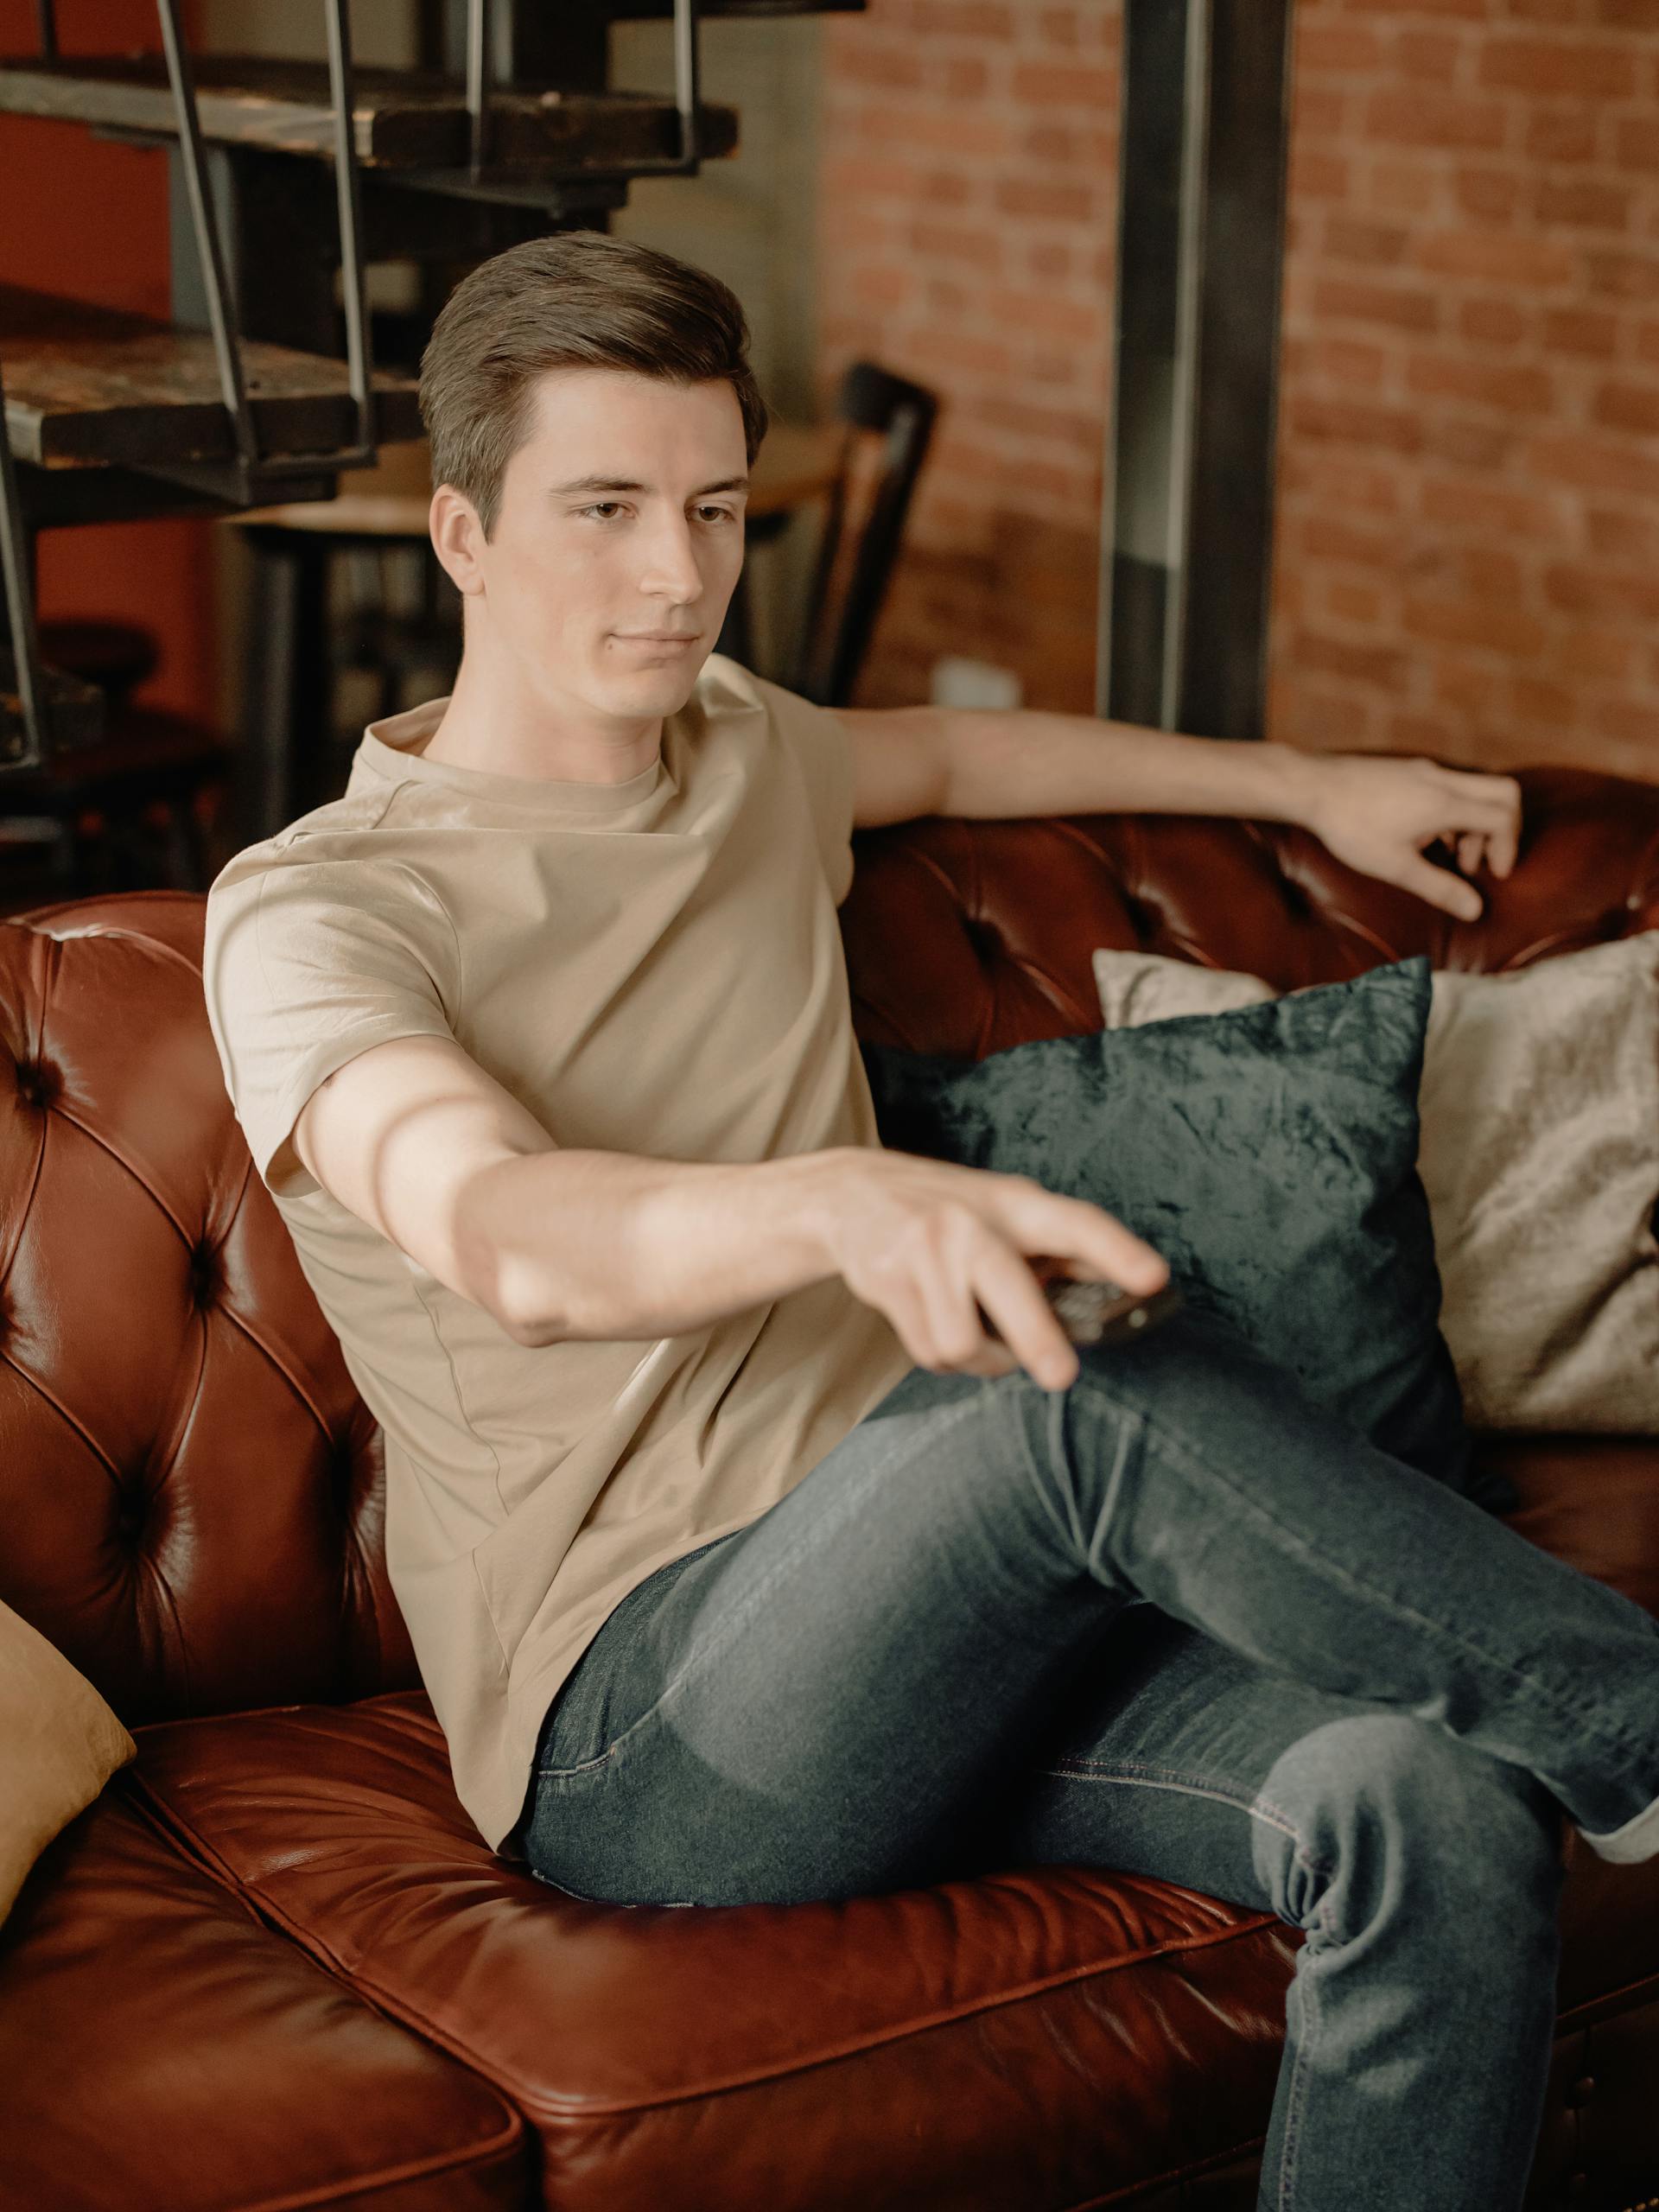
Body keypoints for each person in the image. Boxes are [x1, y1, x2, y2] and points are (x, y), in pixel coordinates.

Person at [202, 231, 1659, 2212]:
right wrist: (840, 1197)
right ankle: (1637, 1725)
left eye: (712, 508)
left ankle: (1557, 1746)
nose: (676, 572)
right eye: (605, 509)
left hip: (973, 1642)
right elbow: (510, 1229)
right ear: (461, 530)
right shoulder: (322, 912)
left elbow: (972, 751)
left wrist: (1318, 781)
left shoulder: (737, 747)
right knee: (1057, 1368)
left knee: (1428, 1801)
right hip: (648, 1724)